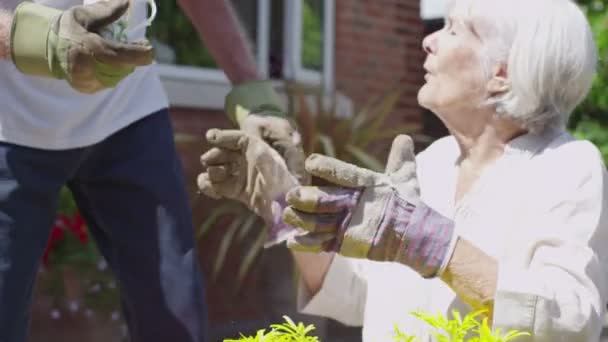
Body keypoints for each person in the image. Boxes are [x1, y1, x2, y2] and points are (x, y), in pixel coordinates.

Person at [197, 0, 608, 340]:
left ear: (502, 73)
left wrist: (434, 245)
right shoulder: (432, 163)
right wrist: (283, 203)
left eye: (453, 29)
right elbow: (357, 294)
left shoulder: (566, 167)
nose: (428, 41)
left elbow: (573, 320)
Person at [0, 0, 302, 341]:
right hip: (9, 126)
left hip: (128, 115)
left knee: (175, 320)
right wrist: (39, 40)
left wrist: (254, 94)